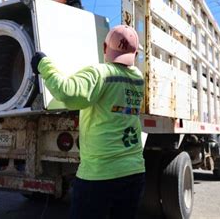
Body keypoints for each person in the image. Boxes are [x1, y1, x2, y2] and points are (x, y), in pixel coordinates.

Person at [31, 25, 146, 219]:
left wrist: (43, 64)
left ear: (104, 47)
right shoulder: (138, 79)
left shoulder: (101, 74)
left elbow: (67, 92)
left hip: (100, 175)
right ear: (135, 53)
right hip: (134, 172)